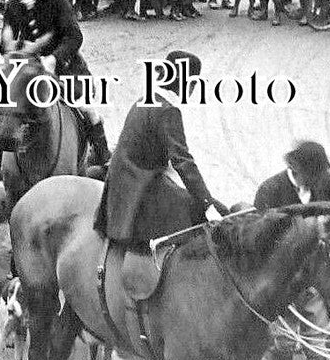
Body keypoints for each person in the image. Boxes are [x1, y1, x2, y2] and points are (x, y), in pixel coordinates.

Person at [0, 0, 110, 189]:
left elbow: (74, 36)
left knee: (87, 109)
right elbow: (7, 43)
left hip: (64, 69)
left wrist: (54, 58)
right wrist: (8, 47)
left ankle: (104, 159)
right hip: (25, 73)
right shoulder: (13, 5)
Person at [254, 140, 330, 360]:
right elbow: (259, 247)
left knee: (318, 352)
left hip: (315, 286)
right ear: (297, 169)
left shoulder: (326, 184)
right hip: (282, 289)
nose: (319, 182)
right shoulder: (270, 192)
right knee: (282, 350)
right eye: (314, 175)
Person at [94, 50, 229, 249]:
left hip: (121, 181)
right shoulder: (169, 111)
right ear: (187, 84)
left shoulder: (146, 99)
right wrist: (207, 203)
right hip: (140, 187)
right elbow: (182, 161)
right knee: (195, 214)